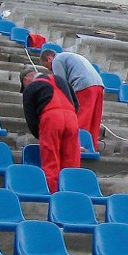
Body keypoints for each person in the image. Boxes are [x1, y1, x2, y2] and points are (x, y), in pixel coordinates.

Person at [19, 65, 81, 193]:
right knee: (72, 160)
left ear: (25, 79)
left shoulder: (30, 88)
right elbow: (76, 104)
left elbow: (31, 118)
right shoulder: (61, 79)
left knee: (51, 161)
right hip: (71, 118)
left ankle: (53, 195)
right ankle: (71, 194)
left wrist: (41, 135)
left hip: (51, 118)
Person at [39, 50, 104, 151]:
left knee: (81, 117)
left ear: (49, 59)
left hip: (83, 85)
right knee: (94, 120)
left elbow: (61, 83)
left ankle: (76, 145)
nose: (50, 70)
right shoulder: (69, 56)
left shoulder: (57, 60)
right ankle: (91, 147)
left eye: (47, 66)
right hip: (98, 85)